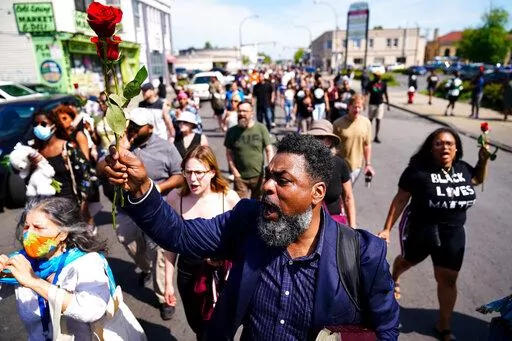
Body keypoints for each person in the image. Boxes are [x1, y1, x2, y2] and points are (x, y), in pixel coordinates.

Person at [101, 133, 400, 341]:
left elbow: (385, 330)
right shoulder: (247, 221)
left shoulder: (362, 254)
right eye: (268, 176)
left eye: (282, 180)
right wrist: (140, 188)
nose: (268, 187)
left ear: (317, 193)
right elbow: (179, 234)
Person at [377, 127, 490, 341]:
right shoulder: (417, 171)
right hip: (422, 230)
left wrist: (483, 161)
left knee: (447, 279)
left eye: (449, 143)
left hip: (453, 233)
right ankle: (395, 275)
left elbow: (477, 180)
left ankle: (443, 325)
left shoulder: (463, 169)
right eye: (439, 143)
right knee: (406, 261)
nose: (444, 147)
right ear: (431, 148)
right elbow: (401, 199)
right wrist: (387, 229)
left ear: (456, 148)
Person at [98, 108, 184, 321]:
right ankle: (145, 268)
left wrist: (159, 188)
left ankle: (164, 297)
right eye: (131, 125)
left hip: (156, 209)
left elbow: (180, 176)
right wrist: (117, 151)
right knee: (127, 241)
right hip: (127, 209)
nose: (133, 129)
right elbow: (100, 167)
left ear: (151, 128)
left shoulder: (166, 147)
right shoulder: (121, 145)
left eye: (138, 126)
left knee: (161, 255)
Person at [0, 196, 110, 339]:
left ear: (62, 234)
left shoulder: (87, 262)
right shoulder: (21, 262)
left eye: (38, 227)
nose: (29, 234)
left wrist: (33, 281)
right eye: (27, 227)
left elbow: (92, 309)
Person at [164, 146, 240, 340]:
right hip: (188, 274)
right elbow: (170, 245)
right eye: (188, 172)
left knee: (219, 328)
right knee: (198, 326)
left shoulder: (229, 199)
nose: (192, 179)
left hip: (221, 276)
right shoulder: (176, 199)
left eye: (199, 172)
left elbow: (243, 243)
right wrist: (168, 283)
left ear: (213, 171)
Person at [304, 120, 356, 227]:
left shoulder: (340, 164)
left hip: (333, 224)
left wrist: (353, 227)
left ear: (329, 141)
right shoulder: (300, 163)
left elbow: (348, 197)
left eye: (320, 137)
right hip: (305, 223)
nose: (315, 141)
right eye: (312, 137)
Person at [224, 101, 274, 199]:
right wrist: (235, 172)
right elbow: (228, 153)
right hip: (240, 178)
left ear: (252, 113)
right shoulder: (232, 131)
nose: (241, 114)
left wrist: (269, 170)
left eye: (245, 111)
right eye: (239, 111)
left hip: (259, 176)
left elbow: (269, 150)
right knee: (241, 207)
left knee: (258, 206)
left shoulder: (261, 128)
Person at [333, 94, 375, 183]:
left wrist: (368, 164)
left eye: (360, 107)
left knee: (349, 192)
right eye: (355, 107)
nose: (357, 110)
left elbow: (367, 145)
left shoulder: (366, 123)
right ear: (348, 106)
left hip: (356, 167)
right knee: (344, 195)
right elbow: (332, 145)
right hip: (340, 165)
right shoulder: (337, 124)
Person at [365, 71, 390, 143]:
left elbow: (386, 94)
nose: (376, 77)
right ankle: (368, 136)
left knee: (378, 120)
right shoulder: (370, 83)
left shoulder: (383, 84)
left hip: (380, 104)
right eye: (375, 75)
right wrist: (364, 103)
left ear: (380, 76)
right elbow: (366, 94)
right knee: (370, 121)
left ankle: (376, 136)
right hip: (372, 104)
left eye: (377, 76)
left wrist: (388, 104)